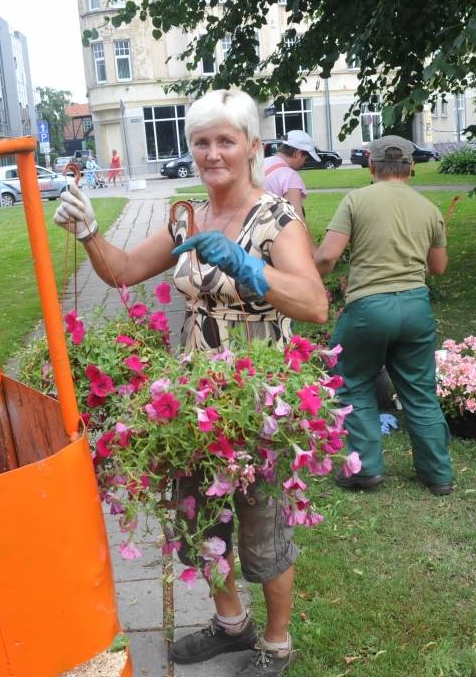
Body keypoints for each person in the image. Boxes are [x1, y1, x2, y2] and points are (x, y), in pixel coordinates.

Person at [54, 88, 327, 676]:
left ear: (252, 146)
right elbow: (123, 271)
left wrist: (251, 268)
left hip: (257, 399)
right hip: (193, 400)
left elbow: (314, 302)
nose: (212, 153)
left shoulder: (277, 218)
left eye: (226, 140)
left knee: (261, 525)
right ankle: (232, 624)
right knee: (197, 516)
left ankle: (276, 643)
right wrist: (88, 233)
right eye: (201, 141)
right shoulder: (187, 216)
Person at [312, 135, 454, 496]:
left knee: (351, 380)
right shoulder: (428, 208)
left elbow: (328, 256)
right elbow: (438, 268)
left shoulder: (355, 200)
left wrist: (308, 278)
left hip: (368, 309)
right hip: (416, 307)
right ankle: (438, 474)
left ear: (371, 166)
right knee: (420, 392)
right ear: (411, 167)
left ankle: (366, 469)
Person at [262, 129, 319, 224]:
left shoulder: (261, 163)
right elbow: (297, 220)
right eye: (306, 158)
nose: (304, 163)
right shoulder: (291, 176)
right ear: (298, 153)